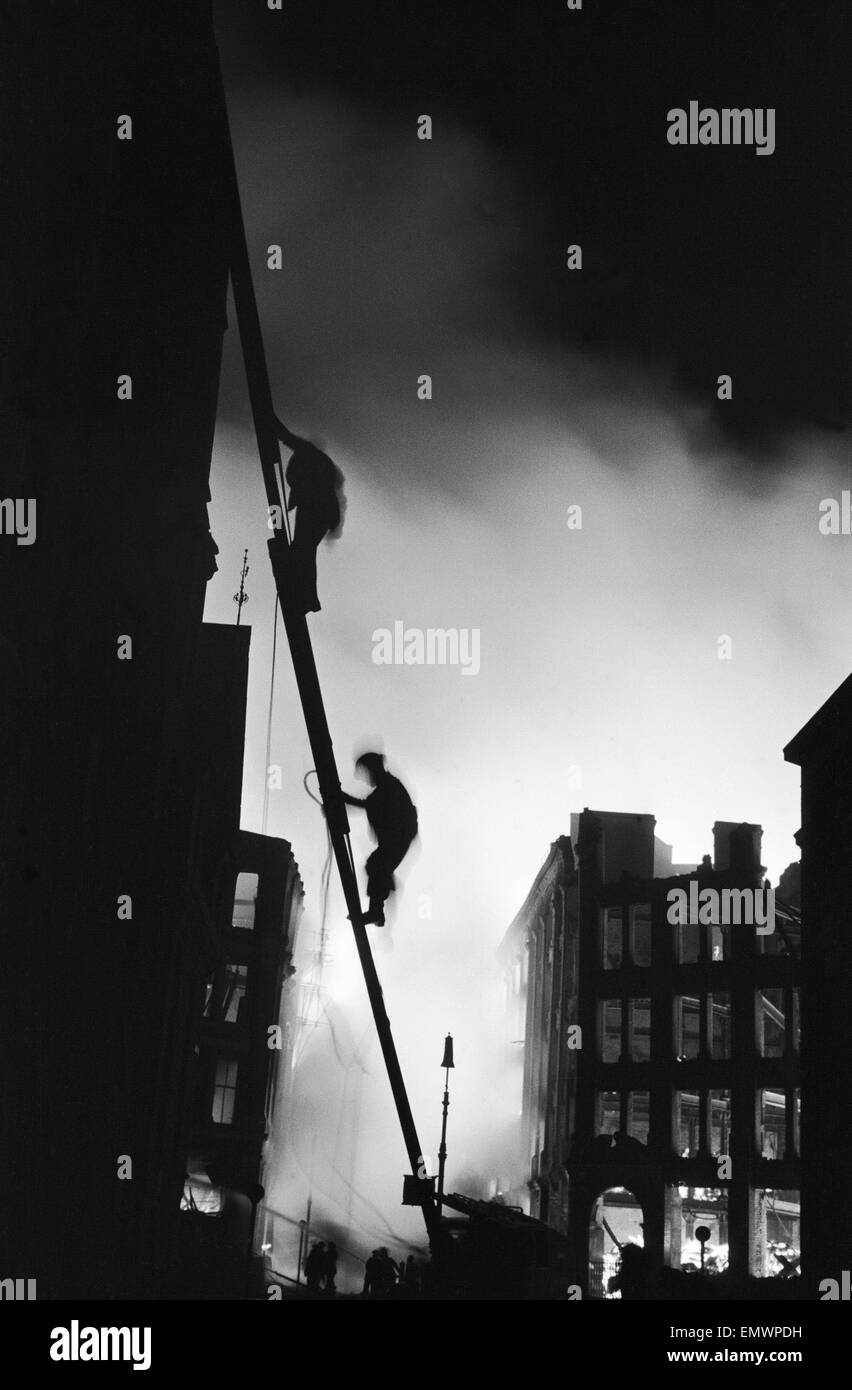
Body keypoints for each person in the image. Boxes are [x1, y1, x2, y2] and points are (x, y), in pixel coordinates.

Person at [275, 419, 345, 615]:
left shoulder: (309, 456)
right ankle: (307, 599)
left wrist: (269, 420)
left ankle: (305, 599)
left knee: (301, 550)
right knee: (304, 551)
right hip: (322, 514)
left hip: (317, 511)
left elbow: (285, 436)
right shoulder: (321, 464)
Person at [343, 752, 418, 926]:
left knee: (377, 866)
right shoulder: (388, 787)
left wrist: (340, 797)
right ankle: (377, 910)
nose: (367, 778)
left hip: (398, 839)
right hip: (397, 839)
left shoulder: (390, 787)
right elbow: (369, 805)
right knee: (377, 867)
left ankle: (376, 911)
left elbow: (368, 805)